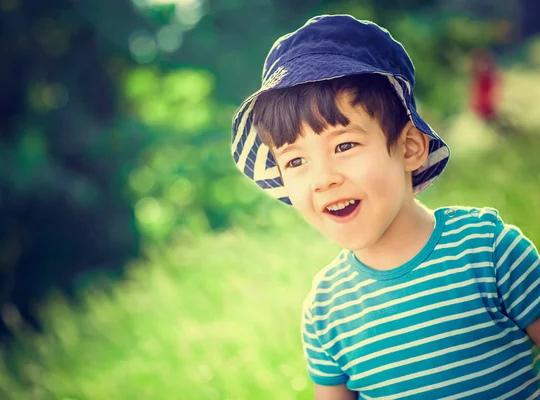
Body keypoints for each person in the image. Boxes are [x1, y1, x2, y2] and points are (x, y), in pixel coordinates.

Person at [230, 15, 540, 399]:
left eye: (344, 146)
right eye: (295, 161)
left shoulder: (487, 250)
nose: (323, 178)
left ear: (410, 147)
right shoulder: (325, 312)